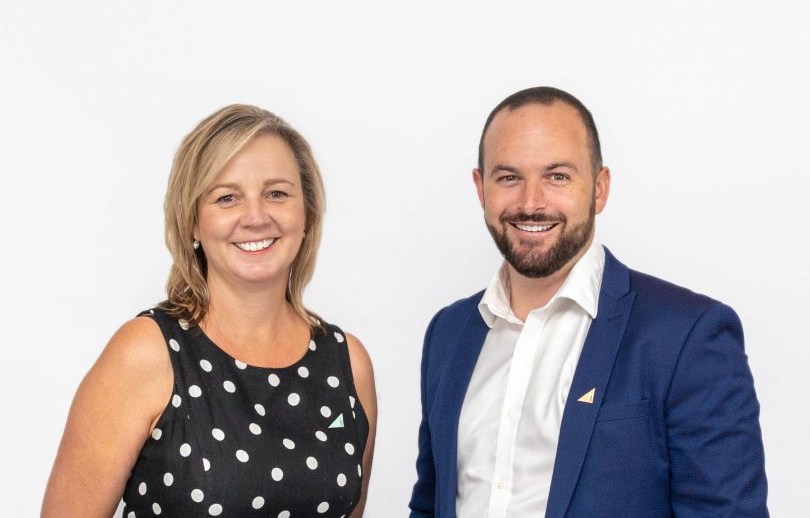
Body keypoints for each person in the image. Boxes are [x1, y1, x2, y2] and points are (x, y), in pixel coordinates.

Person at [409, 87, 767, 517]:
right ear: (480, 188)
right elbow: (430, 505)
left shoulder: (686, 336)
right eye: (508, 177)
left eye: (557, 176)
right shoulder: (449, 334)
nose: (530, 202)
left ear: (599, 189)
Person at [42, 105, 377, 517]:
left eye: (277, 193)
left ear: (306, 213)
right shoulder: (146, 354)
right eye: (227, 198)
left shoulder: (347, 363)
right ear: (194, 223)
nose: (255, 217)